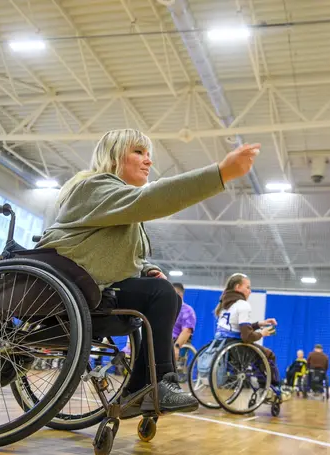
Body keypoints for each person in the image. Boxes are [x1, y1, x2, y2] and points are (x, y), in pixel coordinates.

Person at [37, 129, 261, 417]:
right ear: (115, 156)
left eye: (148, 154)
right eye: (139, 153)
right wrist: (220, 173)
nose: (148, 161)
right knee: (162, 294)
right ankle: (156, 383)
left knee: (166, 295)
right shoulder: (93, 187)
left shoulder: (119, 206)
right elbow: (152, 198)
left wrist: (149, 268)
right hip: (73, 286)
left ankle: (143, 388)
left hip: (93, 287)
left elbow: (124, 255)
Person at [214, 273, 280, 386]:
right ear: (238, 287)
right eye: (248, 287)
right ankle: (270, 387)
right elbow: (247, 337)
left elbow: (236, 328)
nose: (250, 291)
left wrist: (260, 324)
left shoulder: (224, 305)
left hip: (221, 344)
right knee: (269, 355)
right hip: (237, 348)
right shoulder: (243, 305)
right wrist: (262, 334)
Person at [171, 283, 196, 361]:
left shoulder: (187, 310)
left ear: (179, 295)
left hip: (172, 341)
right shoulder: (166, 308)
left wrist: (176, 346)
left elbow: (187, 331)